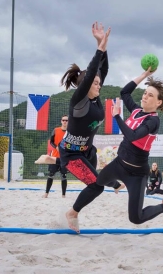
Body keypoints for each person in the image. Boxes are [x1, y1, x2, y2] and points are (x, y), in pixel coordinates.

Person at [54, 22, 123, 233]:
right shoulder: (79, 100)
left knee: (97, 183)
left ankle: (111, 183)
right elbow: (94, 69)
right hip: (71, 155)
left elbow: (103, 69)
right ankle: (72, 213)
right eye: (94, 82)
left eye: (99, 82)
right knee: (97, 186)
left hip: (87, 152)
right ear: (85, 86)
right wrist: (99, 48)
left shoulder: (96, 98)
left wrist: (103, 45)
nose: (99, 84)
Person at [96, 68, 163, 225]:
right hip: (119, 164)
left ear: (159, 102)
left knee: (136, 218)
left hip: (137, 173)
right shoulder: (136, 110)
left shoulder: (153, 121)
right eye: (145, 93)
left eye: (150, 95)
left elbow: (133, 136)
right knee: (99, 180)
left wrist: (116, 116)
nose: (145, 96)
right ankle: (118, 184)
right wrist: (145, 75)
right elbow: (124, 92)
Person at [42, 115, 69, 198]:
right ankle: (46, 193)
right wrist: (56, 147)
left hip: (64, 157)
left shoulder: (70, 132)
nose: (64, 121)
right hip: (55, 156)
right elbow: (51, 142)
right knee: (51, 174)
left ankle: (63, 195)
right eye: (63, 120)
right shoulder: (56, 130)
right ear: (61, 121)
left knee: (63, 175)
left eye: (66, 120)